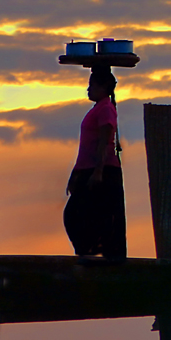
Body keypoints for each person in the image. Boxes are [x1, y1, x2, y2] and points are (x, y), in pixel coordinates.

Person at [64, 65, 127, 262]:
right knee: (77, 213)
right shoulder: (98, 108)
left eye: (92, 85)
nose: (88, 89)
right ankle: (90, 251)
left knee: (90, 214)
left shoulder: (106, 109)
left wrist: (98, 172)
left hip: (101, 170)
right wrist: (75, 174)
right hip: (86, 169)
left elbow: (104, 142)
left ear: (102, 87)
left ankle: (98, 252)